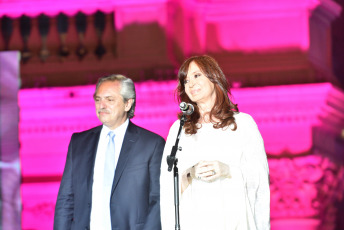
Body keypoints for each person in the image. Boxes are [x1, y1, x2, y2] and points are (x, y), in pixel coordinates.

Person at [160, 55, 270, 230]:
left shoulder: (242, 124)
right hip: (194, 219)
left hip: (233, 219)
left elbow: (259, 180)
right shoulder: (179, 129)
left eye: (197, 75)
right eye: (185, 80)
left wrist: (228, 170)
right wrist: (190, 173)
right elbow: (167, 186)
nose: (190, 83)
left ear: (214, 77)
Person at [54, 74, 165, 230]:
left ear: (128, 103)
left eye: (110, 100)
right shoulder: (79, 143)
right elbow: (66, 199)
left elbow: (158, 200)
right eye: (98, 100)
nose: (102, 105)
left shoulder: (151, 144)